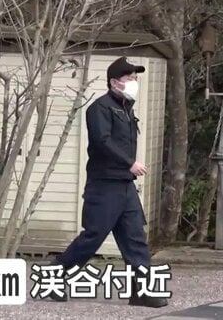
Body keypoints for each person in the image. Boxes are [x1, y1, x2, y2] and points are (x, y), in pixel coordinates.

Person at [44, 56, 168, 308]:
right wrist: (129, 163)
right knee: (93, 237)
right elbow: (102, 142)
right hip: (104, 186)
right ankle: (54, 275)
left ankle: (141, 291)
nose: (134, 82)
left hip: (125, 185)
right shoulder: (99, 108)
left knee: (135, 238)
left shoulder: (127, 108)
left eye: (135, 78)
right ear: (114, 82)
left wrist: (128, 169)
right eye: (129, 78)